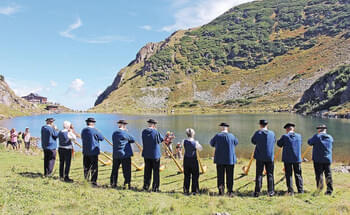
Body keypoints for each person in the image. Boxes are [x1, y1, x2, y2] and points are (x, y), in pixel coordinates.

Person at [210, 123, 238, 197]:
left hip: (220, 159)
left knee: (220, 176)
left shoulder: (217, 136)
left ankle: (221, 191)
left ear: (221, 128)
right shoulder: (232, 136)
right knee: (230, 176)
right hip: (230, 159)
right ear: (227, 128)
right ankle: (230, 191)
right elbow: (236, 143)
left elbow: (211, 143)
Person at [277, 123, 303, 195]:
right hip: (297, 158)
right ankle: (300, 190)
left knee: (288, 175)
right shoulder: (299, 136)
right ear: (293, 129)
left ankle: (290, 191)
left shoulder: (285, 136)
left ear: (287, 129)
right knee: (298, 174)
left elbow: (279, 144)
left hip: (287, 158)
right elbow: (300, 144)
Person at [251, 119, 276, 197]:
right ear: (267, 125)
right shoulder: (272, 133)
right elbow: (274, 141)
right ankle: (271, 191)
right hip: (270, 157)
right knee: (270, 174)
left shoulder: (258, 133)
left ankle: (257, 192)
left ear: (260, 125)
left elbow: (253, 141)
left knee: (259, 174)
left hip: (260, 157)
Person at [308, 124, 334, 195]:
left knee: (319, 175)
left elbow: (309, 142)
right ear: (325, 130)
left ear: (319, 130)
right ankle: (329, 190)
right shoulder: (330, 137)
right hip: (327, 159)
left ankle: (319, 189)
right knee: (328, 174)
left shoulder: (316, 136)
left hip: (318, 159)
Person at [110, 120, 136, 189]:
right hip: (125, 155)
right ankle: (127, 184)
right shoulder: (125, 133)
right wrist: (127, 133)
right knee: (127, 170)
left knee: (114, 169)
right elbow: (133, 139)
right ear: (124, 126)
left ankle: (113, 183)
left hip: (116, 154)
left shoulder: (114, 133)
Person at [142, 119, 164, 192]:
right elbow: (161, 139)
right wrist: (156, 131)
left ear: (148, 124)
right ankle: (155, 188)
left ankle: (146, 186)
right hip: (155, 155)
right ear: (154, 125)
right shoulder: (156, 132)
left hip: (146, 154)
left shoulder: (143, 132)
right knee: (156, 172)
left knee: (147, 171)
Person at [81, 117, 104, 186]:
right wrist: (98, 132)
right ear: (93, 123)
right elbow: (102, 138)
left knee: (86, 167)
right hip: (93, 152)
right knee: (94, 167)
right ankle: (93, 182)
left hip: (85, 151)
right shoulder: (95, 130)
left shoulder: (83, 130)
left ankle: (86, 180)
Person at [183, 128, 202, 195]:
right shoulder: (195, 142)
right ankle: (195, 190)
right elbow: (200, 149)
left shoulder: (184, 141)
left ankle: (186, 190)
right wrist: (197, 143)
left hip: (186, 160)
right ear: (193, 134)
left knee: (186, 175)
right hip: (193, 160)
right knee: (195, 175)